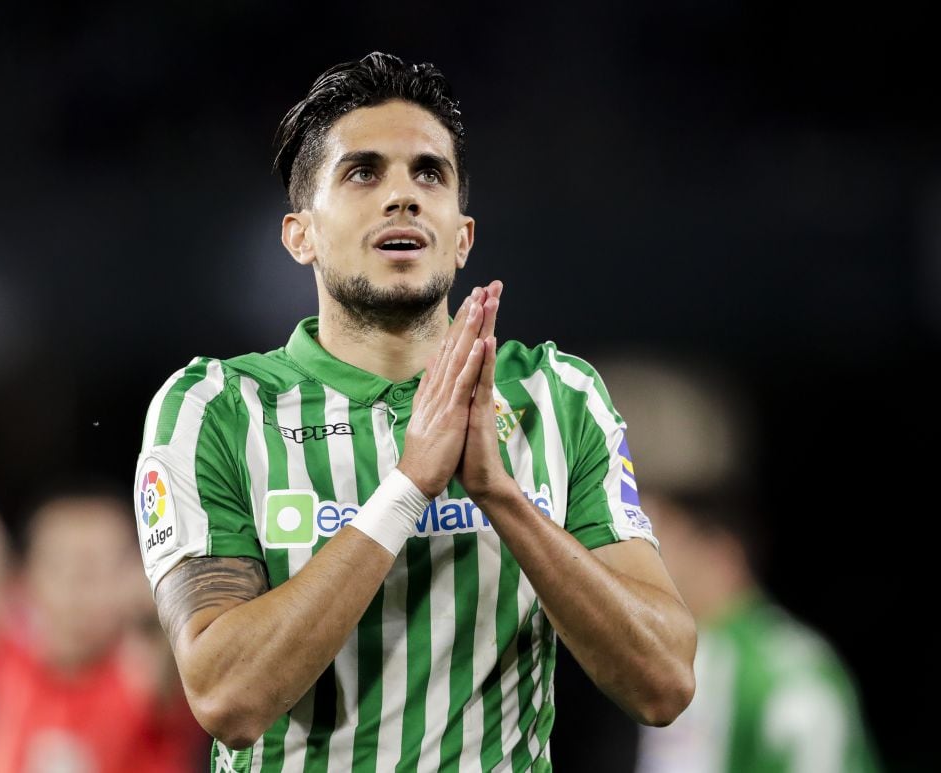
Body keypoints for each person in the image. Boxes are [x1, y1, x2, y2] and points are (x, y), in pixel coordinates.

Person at [136, 52, 697, 772]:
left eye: (428, 173)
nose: (402, 195)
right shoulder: (215, 409)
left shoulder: (558, 396)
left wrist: (502, 497)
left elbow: (665, 681)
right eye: (363, 172)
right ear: (299, 234)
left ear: (462, 236)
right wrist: (406, 487)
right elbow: (226, 697)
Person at [0, 228, 208, 773]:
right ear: (27, 581)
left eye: (99, 565)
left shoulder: (150, 680)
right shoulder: (12, 655)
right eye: (61, 564)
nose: (78, 584)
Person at [595, 357, 881, 773]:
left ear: (719, 550)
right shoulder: (709, 659)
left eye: (655, 539)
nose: (638, 559)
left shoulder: (754, 667)